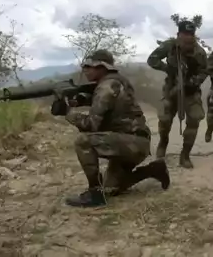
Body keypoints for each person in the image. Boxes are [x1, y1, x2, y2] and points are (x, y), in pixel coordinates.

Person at [61, 49, 171, 208]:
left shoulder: (106, 86)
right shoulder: (116, 82)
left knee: (83, 141)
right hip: (134, 143)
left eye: (89, 66)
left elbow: (91, 125)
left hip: (131, 144)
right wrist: (79, 101)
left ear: (101, 67)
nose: (85, 70)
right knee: (112, 188)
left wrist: (68, 114)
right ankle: (153, 170)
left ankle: (94, 194)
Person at [147, 21, 208, 168]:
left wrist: (192, 82)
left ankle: (185, 155)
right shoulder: (169, 46)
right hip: (171, 88)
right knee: (165, 118)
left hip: (190, 91)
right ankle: (163, 143)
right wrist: (169, 69)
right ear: (178, 34)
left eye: (191, 35)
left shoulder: (199, 52)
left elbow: (205, 71)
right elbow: (152, 60)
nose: (188, 38)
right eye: (185, 34)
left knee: (194, 119)